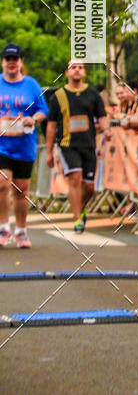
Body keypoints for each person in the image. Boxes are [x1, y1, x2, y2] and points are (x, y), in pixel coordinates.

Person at [46, 61, 112, 233]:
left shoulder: (93, 94)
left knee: (89, 187)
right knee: (75, 178)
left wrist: (106, 130)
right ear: (67, 72)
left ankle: (80, 207)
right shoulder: (58, 96)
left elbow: (102, 117)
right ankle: (77, 220)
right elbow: (51, 125)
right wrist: (48, 152)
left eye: (80, 67)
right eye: (73, 67)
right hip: (67, 144)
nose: (77, 70)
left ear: (84, 72)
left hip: (89, 145)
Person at [0, 43, 48, 248]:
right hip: (2, 145)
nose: (11, 63)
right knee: (2, 185)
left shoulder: (31, 85)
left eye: (15, 59)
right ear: (3, 62)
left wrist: (33, 119)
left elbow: (43, 110)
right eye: (8, 59)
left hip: (24, 145)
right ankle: (3, 228)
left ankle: (21, 231)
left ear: (21, 62)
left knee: (21, 190)